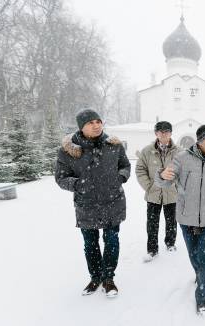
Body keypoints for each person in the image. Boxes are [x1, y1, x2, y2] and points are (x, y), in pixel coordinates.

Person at [155, 125, 205, 316]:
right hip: (186, 217)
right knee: (193, 254)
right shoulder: (182, 158)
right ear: (199, 141)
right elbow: (165, 181)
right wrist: (161, 175)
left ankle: (202, 297)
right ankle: (200, 274)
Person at [55, 109, 131, 298]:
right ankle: (95, 277)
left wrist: (120, 178)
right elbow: (61, 178)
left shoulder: (113, 145)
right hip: (86, 204)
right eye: (91, 123)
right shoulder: (68, 151)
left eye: (98, 121)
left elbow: (125, 166)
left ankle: (109, 278)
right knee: (90, 243)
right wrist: (79, 184)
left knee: (112, 241)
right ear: (81, 127)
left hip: (113, 202)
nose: (96, 125)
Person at [135, 121, 180, 262]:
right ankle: (152, 249)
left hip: (172, 194)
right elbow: (140, 169)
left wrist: (177, 188)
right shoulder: (147, 151)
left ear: (171, 133)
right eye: (160, 131)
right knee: (152, 223)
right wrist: (149, 186)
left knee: (172, 222)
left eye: (167, 131)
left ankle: (170, 243)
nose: (164, 134)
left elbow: (184, 172)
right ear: (156, 133)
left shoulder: (179, 151)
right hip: (153, 194)